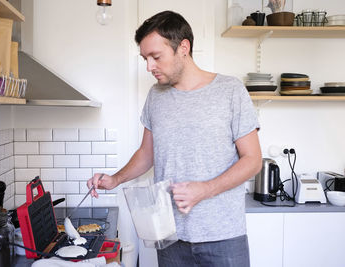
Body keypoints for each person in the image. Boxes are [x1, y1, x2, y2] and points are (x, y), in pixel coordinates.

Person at [87, 10, 262, 267]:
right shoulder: (156, 96)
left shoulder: (230, 91)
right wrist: (115, 179)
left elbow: (253, 160)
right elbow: (147, 153)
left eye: (156, 56)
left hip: (222, 237)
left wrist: (204, 190)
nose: (149, 66)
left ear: (183, 47)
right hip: (169, 237)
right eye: (145, 58)